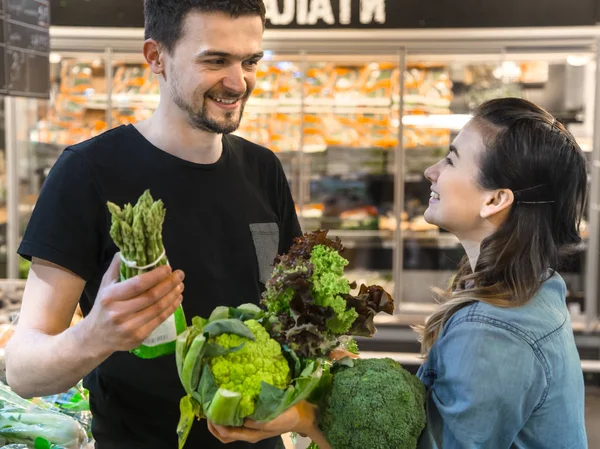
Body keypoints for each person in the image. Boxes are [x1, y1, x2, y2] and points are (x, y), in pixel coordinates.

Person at [207, 98, 589, 448]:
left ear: (495, 200)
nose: (430, 171)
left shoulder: (493, 332)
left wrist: (308, 416)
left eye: (452, 161)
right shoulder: (535, 287)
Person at [5, 1, 301, 448]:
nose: (238, 82)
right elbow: (23, 370)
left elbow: (292, 313)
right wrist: (96, 334)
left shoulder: (264, 169)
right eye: (215, 60)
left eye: (250, 61)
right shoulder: (88, 171)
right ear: (155, 57)